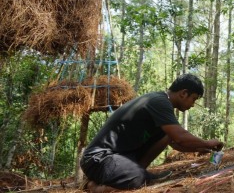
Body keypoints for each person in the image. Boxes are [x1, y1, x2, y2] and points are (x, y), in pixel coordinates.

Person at [80, 74, 223, 193]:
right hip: (98, 158)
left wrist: (199, 147)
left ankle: (137, 171)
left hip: (119, 157)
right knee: (138, 179)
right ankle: (94, 186)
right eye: (194, 99)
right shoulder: (160, 102)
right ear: (184, 93)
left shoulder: (161, 102)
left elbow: (175, 141)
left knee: (166, 134)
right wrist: (207, 143)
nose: (192, 104)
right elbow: (180, 136)